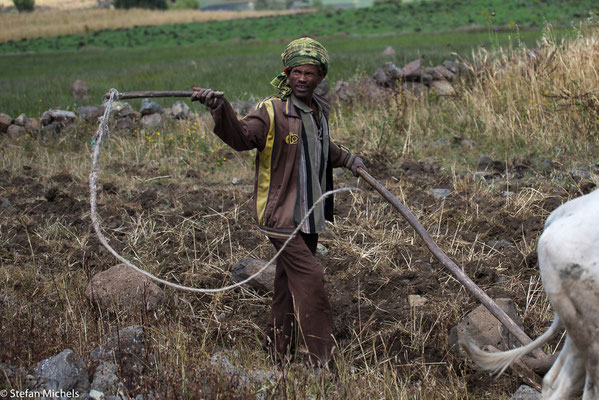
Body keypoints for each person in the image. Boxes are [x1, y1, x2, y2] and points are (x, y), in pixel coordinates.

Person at [191, 37, 366, 367]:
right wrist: (219, 108)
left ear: (320, 77)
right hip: (281, 217)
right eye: (296, 72)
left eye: (309, 73)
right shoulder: (271, 111)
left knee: (287, 285)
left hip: (309, 215)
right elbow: (242, 137)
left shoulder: (316, 111)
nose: (302, 79)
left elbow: (323, 147)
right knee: (311, 277)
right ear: (287, 74)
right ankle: (322, 363)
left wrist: (351, 160)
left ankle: (276, 353)